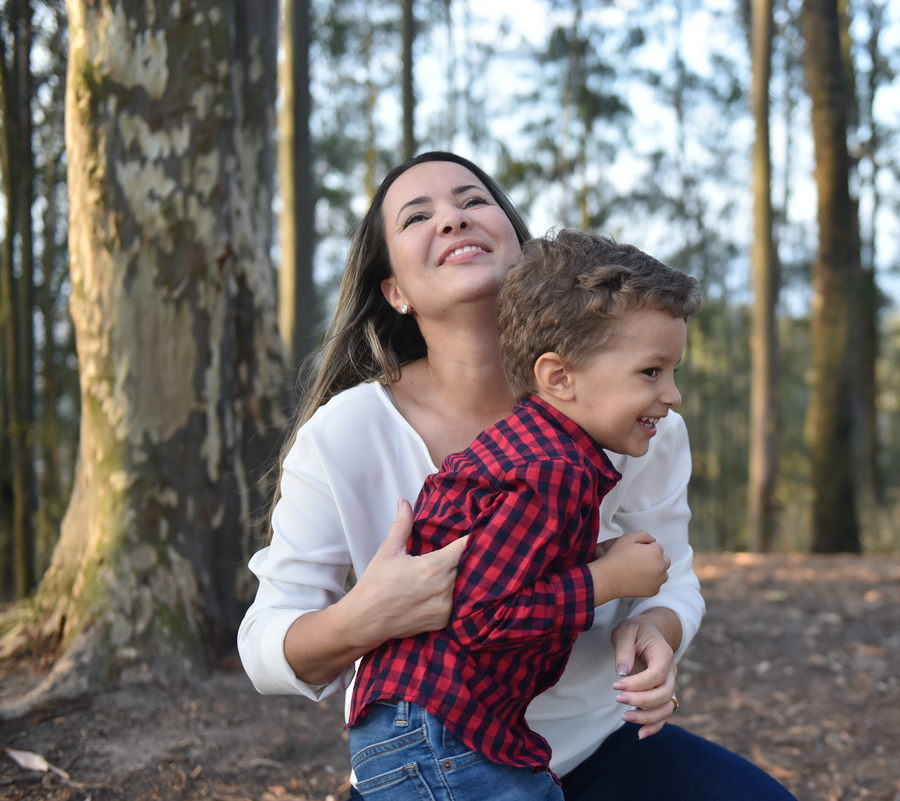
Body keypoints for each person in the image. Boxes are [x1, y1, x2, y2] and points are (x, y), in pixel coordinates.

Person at [237, 151, 797, 801]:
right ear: (394, 292)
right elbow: (264, 642)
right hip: (434, 763)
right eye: (417, 216)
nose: (452, 219)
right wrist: (363, 617)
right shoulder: (345, 434)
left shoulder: (637, 415)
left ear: (522, 250)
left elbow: (671, 576)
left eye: (473, 200)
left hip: (598, 744)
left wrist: (658, 629)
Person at [346, 229, 701, 800]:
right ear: (558, 377)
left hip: (434, 720)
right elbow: (481, 617)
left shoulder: (529, 450)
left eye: (672, 372)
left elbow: (503, 569)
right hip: (436, 726)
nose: (672, 394)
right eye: (651, 372)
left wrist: (599, 557)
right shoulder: (552, 471)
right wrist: (605, 580)